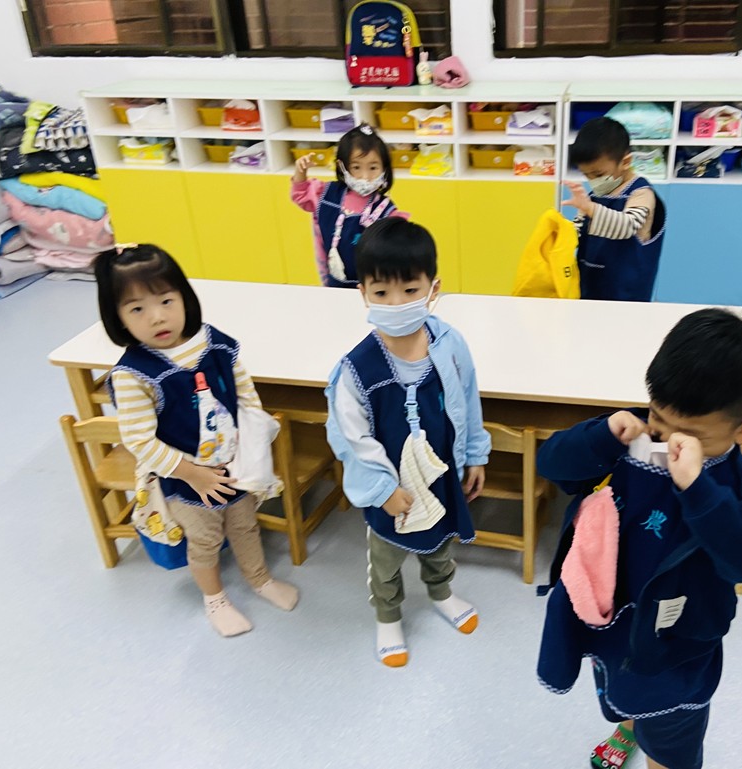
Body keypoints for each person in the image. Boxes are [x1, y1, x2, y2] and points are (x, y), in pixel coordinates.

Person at [536, 308, 742, 769]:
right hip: (614, 622)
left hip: (679, 647)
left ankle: (652, 743)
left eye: (691, 434)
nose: (667, 440)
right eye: (659, 418)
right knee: (621, 690)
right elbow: (551, 465)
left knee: (670, 741)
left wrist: (698, 488)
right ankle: (629, 727)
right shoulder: (629, 440)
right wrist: (601, 436)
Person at [95, 244, 299, 637]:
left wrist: (251, 447)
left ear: (184, 296)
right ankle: (215, 599)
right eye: (136, 309)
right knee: (205, 540)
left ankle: (260, 579)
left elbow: (245, 395)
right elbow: (140, 440)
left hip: (235, 468)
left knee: (245, 526)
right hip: (185, 481)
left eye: (166, 301)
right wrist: (193, 474)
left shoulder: (214, 343)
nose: (157, 316)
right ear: (117, 317)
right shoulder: (133, 374)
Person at [324, 218, 491, 667]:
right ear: (363, 293)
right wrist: (383, 490)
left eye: (410, 290)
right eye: (381, 292)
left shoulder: (449, 344)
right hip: (390, 489)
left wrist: (475, 454)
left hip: (440, 473)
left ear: (433, 288)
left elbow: (468, 399)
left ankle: (442, 593)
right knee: (386, 557)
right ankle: (388, 616)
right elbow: (351, 438)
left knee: (440, 541)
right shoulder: (356, 370)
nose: (396, 303)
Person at [290, 123, 407, 288]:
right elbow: (301, 196)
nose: (365, 176)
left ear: (385, 169)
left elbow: (399, 249)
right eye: (356, 167)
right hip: (332, 282)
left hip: (373, 287)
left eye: (373, 167)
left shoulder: (386, 211)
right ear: (342, 166)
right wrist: (300, 173)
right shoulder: (325, 194)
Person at [564, 116, 667, 302]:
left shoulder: (641, 193)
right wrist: (563, 234)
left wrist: (589, 208)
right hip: (590, 285)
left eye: (598, 174)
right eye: (587, 175)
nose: (593, 181)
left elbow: (627, 227)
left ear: (625, 162)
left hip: (626, 293)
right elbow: (579, 229)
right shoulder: (596, 195)